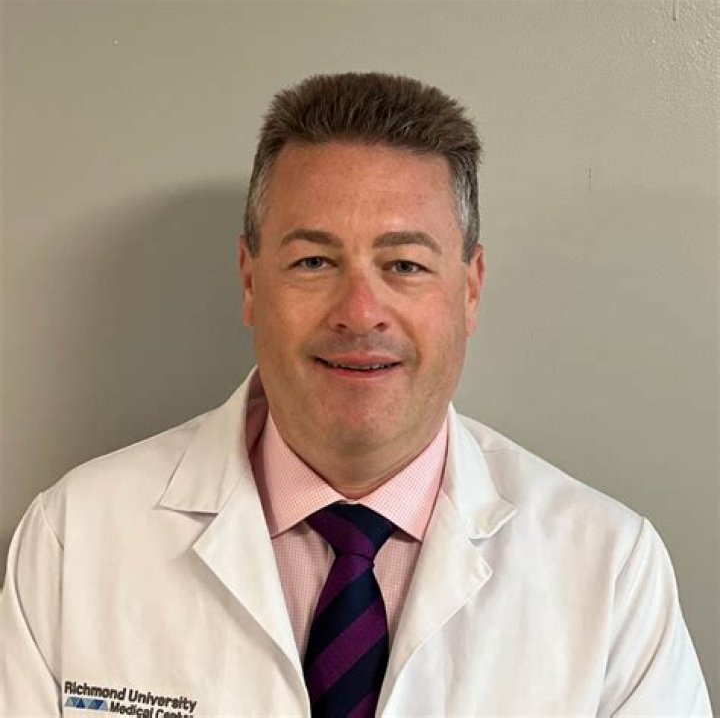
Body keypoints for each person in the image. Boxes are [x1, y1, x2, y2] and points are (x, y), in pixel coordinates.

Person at [0, 72, 711, 717]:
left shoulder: (609, 569)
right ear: (249, 281)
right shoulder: (77, 538)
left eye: (405, 265)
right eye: (314, 261)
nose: (360, 312)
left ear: (469, 289)